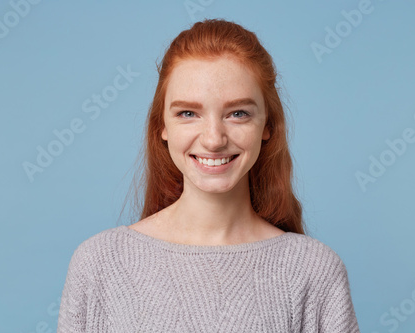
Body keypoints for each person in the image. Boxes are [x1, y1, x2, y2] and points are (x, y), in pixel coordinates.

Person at [57, 18, 360, 332]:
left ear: (267, 126)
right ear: (162, 126)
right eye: (188, 113)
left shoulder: (314, 271)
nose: (214, 139)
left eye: (238, 113)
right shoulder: (99, 265)